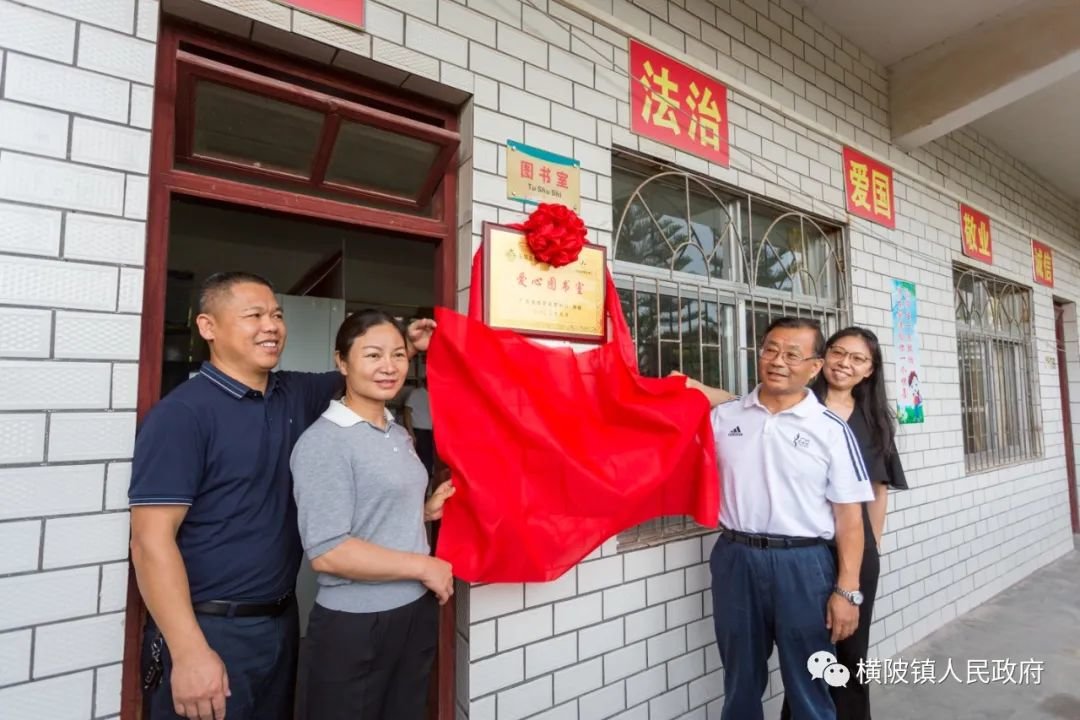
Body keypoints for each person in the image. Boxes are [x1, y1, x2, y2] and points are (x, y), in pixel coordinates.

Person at [129, 272, 435, 720]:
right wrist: (190, 651)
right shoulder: (182, 415)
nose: (270, 325)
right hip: (210, 627)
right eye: (253, 315)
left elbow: (367, 366)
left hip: (281, 621)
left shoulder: (292, 394)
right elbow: (150, 542)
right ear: (208, 327)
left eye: (276, 314)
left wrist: (405, 342)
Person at [693, 317, 875, 720]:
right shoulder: (725, 418)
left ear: (814, 367)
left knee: (810, 682)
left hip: (804, 564)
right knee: (740, 681)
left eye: (793, 354)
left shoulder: (830, 430)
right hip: (735, 558)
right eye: (771, 350)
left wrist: (847, 591)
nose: (778, 361)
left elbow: (850, 519)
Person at [290, 309, 455, 720]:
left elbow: (372, 514)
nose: (389, 367)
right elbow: (329, 551)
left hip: (413, 612)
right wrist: (424, 565)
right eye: (373, 355)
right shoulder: (324, 443)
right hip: (357, 626)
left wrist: (423, 512)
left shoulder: (397, 431)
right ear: (342, 362)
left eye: (398, 355)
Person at [779, 327, 908, 720]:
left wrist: (872, 547)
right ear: (822, 358)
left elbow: (878, 489)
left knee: (850, 652)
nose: (844, 364)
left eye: (857, 359)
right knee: (810, 652)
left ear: (870, 370)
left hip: (857, 552)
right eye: (838, 353)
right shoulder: (795, 404)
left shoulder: (874, 420)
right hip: (804, 551)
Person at [403, 376, 435, 477]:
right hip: (420, 432)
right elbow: (407, 412)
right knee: (423, 461)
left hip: (432, 432)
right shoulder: (416, 393)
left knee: (430, 461)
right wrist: (411, 433)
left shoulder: (435, 394)